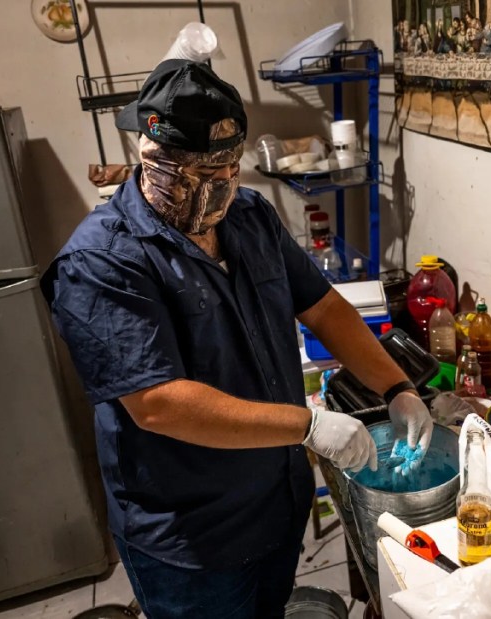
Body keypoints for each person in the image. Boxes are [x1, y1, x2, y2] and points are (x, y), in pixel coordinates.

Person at [41, 59, 434, 619]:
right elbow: (157, 405)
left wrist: (397, 387)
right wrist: (310, 425)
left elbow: (322, 306)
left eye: (222, 170)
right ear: (144, 155)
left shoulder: (249, 217)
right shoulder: (102, 261)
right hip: (190, 537)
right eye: (183, 173)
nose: (206, 191)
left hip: (273, 505)